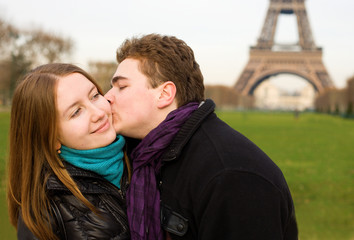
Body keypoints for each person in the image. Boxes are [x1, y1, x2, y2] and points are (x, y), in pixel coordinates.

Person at [105, 33, 298, 240]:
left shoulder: (232, 177)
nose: (107, 97)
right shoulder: (143, 158)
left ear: (164, 94)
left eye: (121, 87)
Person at [7, 63, 130, 240]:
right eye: (76, 112)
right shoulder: (45, 212)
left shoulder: (147, 156)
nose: (99, 113)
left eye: (95, 95)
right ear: (51, 138)